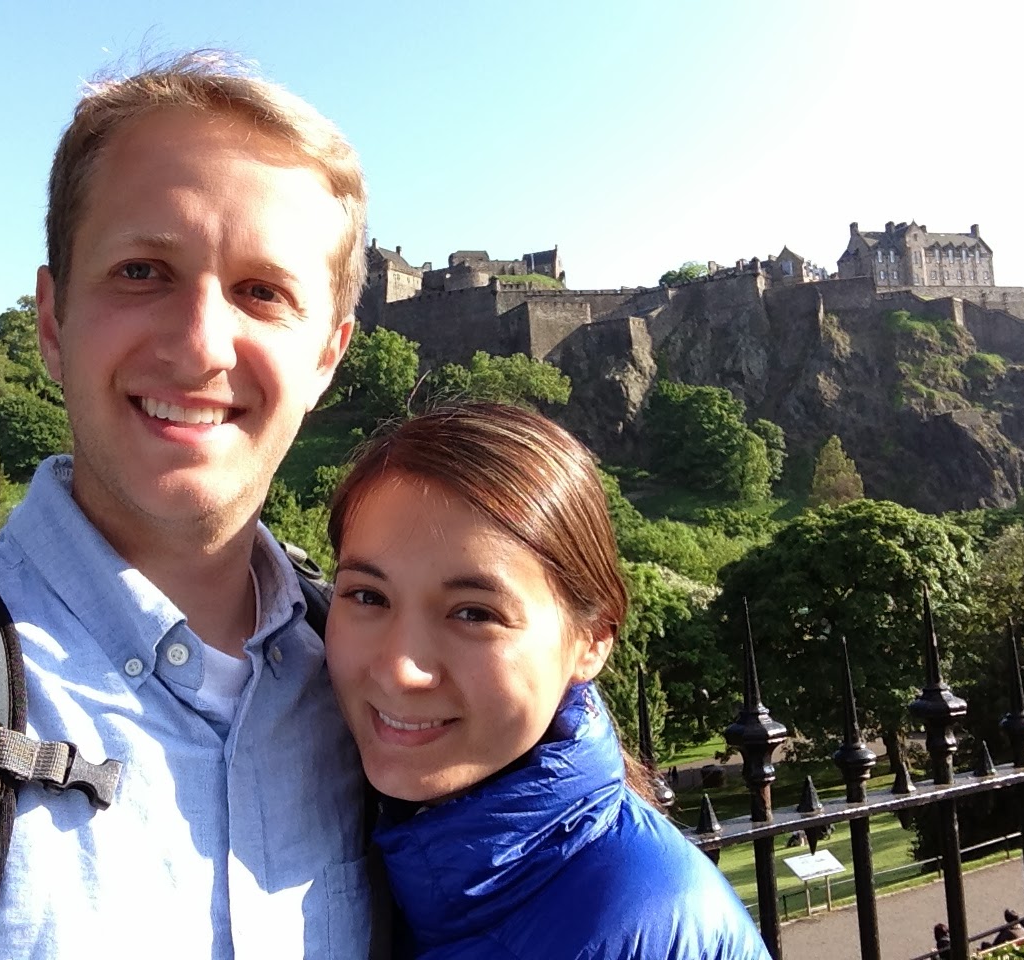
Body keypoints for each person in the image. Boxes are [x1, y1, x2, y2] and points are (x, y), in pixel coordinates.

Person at [0, 52, 374, 958]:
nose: (201, 346)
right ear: (51, 322)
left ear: (327, 356)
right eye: (142, 272)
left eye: (261, 292)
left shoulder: (376, 691)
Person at [323, 402, 769, 959]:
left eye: (474, 613)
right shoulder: (388, 855)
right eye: (368, 596)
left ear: (591, 641)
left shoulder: (641, 927)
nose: (400, 668)